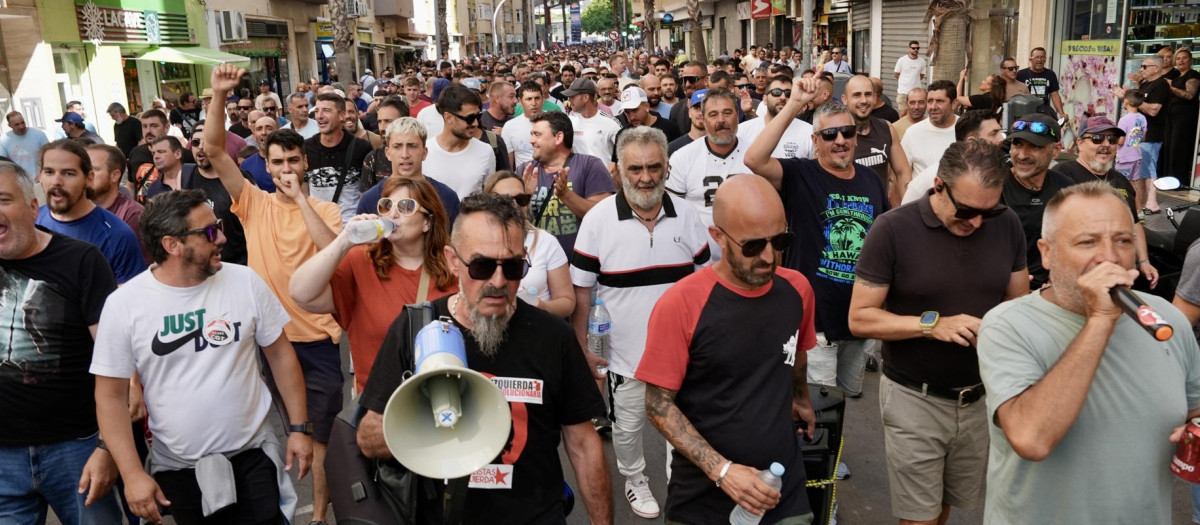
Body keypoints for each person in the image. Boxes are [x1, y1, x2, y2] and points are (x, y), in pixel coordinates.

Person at [358, 192, 614, 523]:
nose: (498, 281)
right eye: (481, 266)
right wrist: (429, 423)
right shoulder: (414, 329)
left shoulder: (554, 337)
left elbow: (583, 445)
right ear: (453, 260)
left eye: (512, 266)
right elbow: (368, 438)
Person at [978, 181, 1200, 524]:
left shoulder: (1167, 320)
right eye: (1087, 241)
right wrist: (1100, 321)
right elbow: (1031, 439)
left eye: (1123, 241)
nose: (1109, 256)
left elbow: (1193, 410)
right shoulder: (1007, 326)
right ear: (1047, 252)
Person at [92, 188, 314, 525]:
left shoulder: (245, 281)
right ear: (172, 245)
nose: (222, 237)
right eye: (210, 232)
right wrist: (133, 473)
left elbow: (281, 355)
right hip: (178, 468)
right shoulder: (125, 305)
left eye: (219, 225)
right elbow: (109, 396)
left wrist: (299, 428)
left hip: (253, 455)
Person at [849, 140, 1028, 525]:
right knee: (920, 517)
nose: (977, 222)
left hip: (980, 399)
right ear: (939, 186)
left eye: (988, 211)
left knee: (944, 506)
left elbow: (1018, 306)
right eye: (966, 211)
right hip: (915, 399)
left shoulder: (1007, 222)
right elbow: (861, 318)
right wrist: (932, 326)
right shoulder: (892, 229)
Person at [207, 64, 344, 525]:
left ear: (305, 163)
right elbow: (212, 150)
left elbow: (331, 251)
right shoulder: (252, 202)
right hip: (265, 343)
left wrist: (301, 199)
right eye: (278, 163)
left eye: (293, 162)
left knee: (320, 437)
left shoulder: (325, 210)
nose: (286, 170)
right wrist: (218, 95)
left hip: (318, 341)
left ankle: (319, 515)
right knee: (271, 437)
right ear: (266, 166)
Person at [640, 174, 817, 524]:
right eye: (753, 246)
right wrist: (723, 472)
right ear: (718, 236)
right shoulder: (682, 304)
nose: (769, 256)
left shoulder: (797, 289)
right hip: (703, 497)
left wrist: (801, 398)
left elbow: (796, 353)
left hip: (783, 487)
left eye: (779, 240)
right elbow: (658, 403)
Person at [571, 126, 711, 519]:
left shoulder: (687, 215)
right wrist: (584, 347)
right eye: (635, 169)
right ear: (617, 170)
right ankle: (634, 479)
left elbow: (704, 283)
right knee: (627, 430)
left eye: (653, 167)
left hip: (683, 355)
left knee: (681, 426)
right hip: (624, 358)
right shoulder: (597, 220)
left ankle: (678, 484)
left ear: (667, 166)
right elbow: (582, 292)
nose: (645, 177)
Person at [745, 81, 890, 407]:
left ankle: (834, 458)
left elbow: (885, 242)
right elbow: (754, 159)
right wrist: (794, 104)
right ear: (815, 141)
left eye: (847, 133)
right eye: (829, 135)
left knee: (844, 403)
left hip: (858, 321)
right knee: (816, 407)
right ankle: (817, 460)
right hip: (816, 324)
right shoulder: (800, 174)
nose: (840, 141)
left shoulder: (870, 180)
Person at [0, 159, 125, 525]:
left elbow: (116, 364)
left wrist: (108, 447)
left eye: (4, 199)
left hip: (77, 449)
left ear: (32, 206)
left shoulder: (81, 260)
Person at [291, 176, 457, 394]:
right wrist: (345, 239)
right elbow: (300, 293)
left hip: (438, 402)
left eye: (406, 206)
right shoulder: (361, 262)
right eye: (386, 206)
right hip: (377, 408)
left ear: (427, 221)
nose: (393, 213)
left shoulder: (454, 268)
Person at [1050, 115, 1159, 289]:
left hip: (1120, 274)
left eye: (1112, 139)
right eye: (1097, 138)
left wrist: (1144, 260)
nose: (1106, 145)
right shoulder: (1063, 173)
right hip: (1083, 273)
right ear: (1080, 143)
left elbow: (1135, 224)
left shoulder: (1120, 180)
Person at [37, 139, 146, 283]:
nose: (56, 181)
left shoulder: (117, 235)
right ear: (40, 176)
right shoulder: (31, 220)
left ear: (89, 179)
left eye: (68, 173)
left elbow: (130, 297)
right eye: (49, 172)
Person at [666, 88, 751, 261]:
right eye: (713, 114)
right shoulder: (683, 157)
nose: (721, 120)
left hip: (749, 256)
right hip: (700, 261)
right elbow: (673, 214)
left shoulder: (754, 156)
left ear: (737, 115)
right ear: (703, 120)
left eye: (727, 113)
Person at [485, 171, 576, 318]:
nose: (514, 205)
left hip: (535, 329)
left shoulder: (545, 241)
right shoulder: (479, 242)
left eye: (521, 199)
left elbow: (567, 302)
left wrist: (543, 306)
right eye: (505, 200)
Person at [356, 118, 461, 225]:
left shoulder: (447, 197)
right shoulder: (369, 200)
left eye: (412, 146)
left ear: (424, 153)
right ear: (387, 153)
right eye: (397, 147)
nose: (405, 155)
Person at [902, 109, 1007, 205]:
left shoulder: (1001, 172)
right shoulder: (932, 177)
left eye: (1000, 132)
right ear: (971, 142)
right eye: (993, 134)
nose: (1001, 138)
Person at [843, 75, 912, 207]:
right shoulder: (834, 134)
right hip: (848, 218)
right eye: (857, 95)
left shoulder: (886, 128)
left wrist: (906, 209)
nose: (863, 100)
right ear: (845, 99)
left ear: (875, 98)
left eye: (868, 94)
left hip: (880, 218)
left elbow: (903, 172)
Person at [304, 92, 372, 222]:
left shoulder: (362, 148)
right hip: (318, 230)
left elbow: (367, 193)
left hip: (350, 230)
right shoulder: (305, 148)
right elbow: (304, 193)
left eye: (326, 110)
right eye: (317, 111)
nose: (319, 116)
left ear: (342, 116)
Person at [424, 84, 496, 200]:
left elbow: (489, 198)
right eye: (469, 118)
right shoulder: (424, 152)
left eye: (478, 116)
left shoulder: (486, 151)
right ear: (448, 118)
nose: (476, 123)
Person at [86, 144, 149, 264]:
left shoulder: (133, 215)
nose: (86, 175)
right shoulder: (74, 209)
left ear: (115, 175)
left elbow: (138, 270)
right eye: (83, 169)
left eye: (94, 170)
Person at [736, 75, 816, 161]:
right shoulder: (742, 131)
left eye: (788, 94)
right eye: (776, 92)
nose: (782, 97)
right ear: (765, 99)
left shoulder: (809, 133)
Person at [127, 109, 195, 193]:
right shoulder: (136, 153)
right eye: (144, 126)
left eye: (154, 126)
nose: (148, 131)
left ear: (166, 127)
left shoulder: (184, 155)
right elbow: (131, 185)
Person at [901, 80, 958, 175]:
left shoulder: (967, 129)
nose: (933, 107)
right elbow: (900, 174)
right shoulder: (913, 133)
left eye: (940, 101)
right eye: (930, 101)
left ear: (954, 104)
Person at [356, 95, 410, 194]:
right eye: (380, 122)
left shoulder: (418, 154)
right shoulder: (373, 158)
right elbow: (365, 199)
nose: (382, 127)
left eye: (388, 121)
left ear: (405, 121)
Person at [564, 78, 622, 167]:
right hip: (578, 179)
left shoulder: (610, 122)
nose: (569, 100)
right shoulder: (570, 120)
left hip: (602, 178)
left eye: (573, 96)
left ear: (585, 97)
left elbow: (625, 151)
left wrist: (610, 171)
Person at [1165, 48, 1200, 181]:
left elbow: (1190, 95)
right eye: (1178, 58)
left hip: (1184, 116)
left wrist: (1171, 88)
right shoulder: (1176, 76)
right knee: (1169, 147)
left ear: (1191, 60)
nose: (1181, 61)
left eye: (1184, 58)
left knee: (1178, 148)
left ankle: (1178, 180)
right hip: (1171, 115)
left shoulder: (1193, 75)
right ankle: (1168, 178)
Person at [614, 87, 681, 151]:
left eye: (635, 110)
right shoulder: (623, 134)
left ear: (646, 106)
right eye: (627, 112)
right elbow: (616, 162)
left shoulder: (670, 128)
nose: (632, 117)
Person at [502, 82, 545, 168]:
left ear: (543, 99)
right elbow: (509, 163)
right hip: (523, 178)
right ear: (520, 102)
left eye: (537, 98)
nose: (533, 103)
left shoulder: (556, 121)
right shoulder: (509, 127)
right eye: (529, 99)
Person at [1016, 47, 1066, 117]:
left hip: (1044, 110)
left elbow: (1054, 95)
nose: (1040, 60)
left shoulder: (1050, 74)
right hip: (1026, 110)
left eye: (1042, 57)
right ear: (1030, 59)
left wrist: (1061, 113)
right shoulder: (1021, 74)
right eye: (1037, 57)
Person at [0, 111, 50, 178]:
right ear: (9, 125)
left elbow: (50, 156)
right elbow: (3, 164)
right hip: (20, 182)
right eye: (17, 124)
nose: (21, 126)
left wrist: (43, 173)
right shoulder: (4, 140)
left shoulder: (39, 135)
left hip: (39, 179)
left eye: (23, 122)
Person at [1116, 90, 1148, 189]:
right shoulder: (1142, 118)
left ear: (1126, 101)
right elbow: (1143, 138)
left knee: (1121, 185)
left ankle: (1123, 204)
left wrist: (1111, 138)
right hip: (1136, 156)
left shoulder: (1124, 120)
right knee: (1133, 185)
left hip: (1125, 157)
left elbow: (1121, 141)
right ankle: (1136, 204)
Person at [668, 61, 709, 135]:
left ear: (706, 80)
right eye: (684, 80)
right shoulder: (676, 109)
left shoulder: (720, 107)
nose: (687, 84)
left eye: (692, 79)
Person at [242, 115, 280, 192]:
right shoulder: (246, 165)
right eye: (259, 129)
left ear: (277, 132)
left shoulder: (288, 161)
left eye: (269, 128)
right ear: (254, 134)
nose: (263, 132)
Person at [668, 90, 708, 157]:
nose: (701, 113)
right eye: (697, 108)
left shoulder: (722, 146)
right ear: (689, 112)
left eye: (705, 108)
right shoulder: (673, 148)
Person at [894, 41, 927, 109]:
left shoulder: (922, 61)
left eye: (917, 48)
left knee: (915, 112)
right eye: (913, 48)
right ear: (909, 48)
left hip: (916, 93)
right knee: (903, 114)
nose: (916, 50)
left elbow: (922, 75)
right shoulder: (902, 60)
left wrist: (914, 79)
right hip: (903, 92)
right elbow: (896, 74)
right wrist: (905, 80)